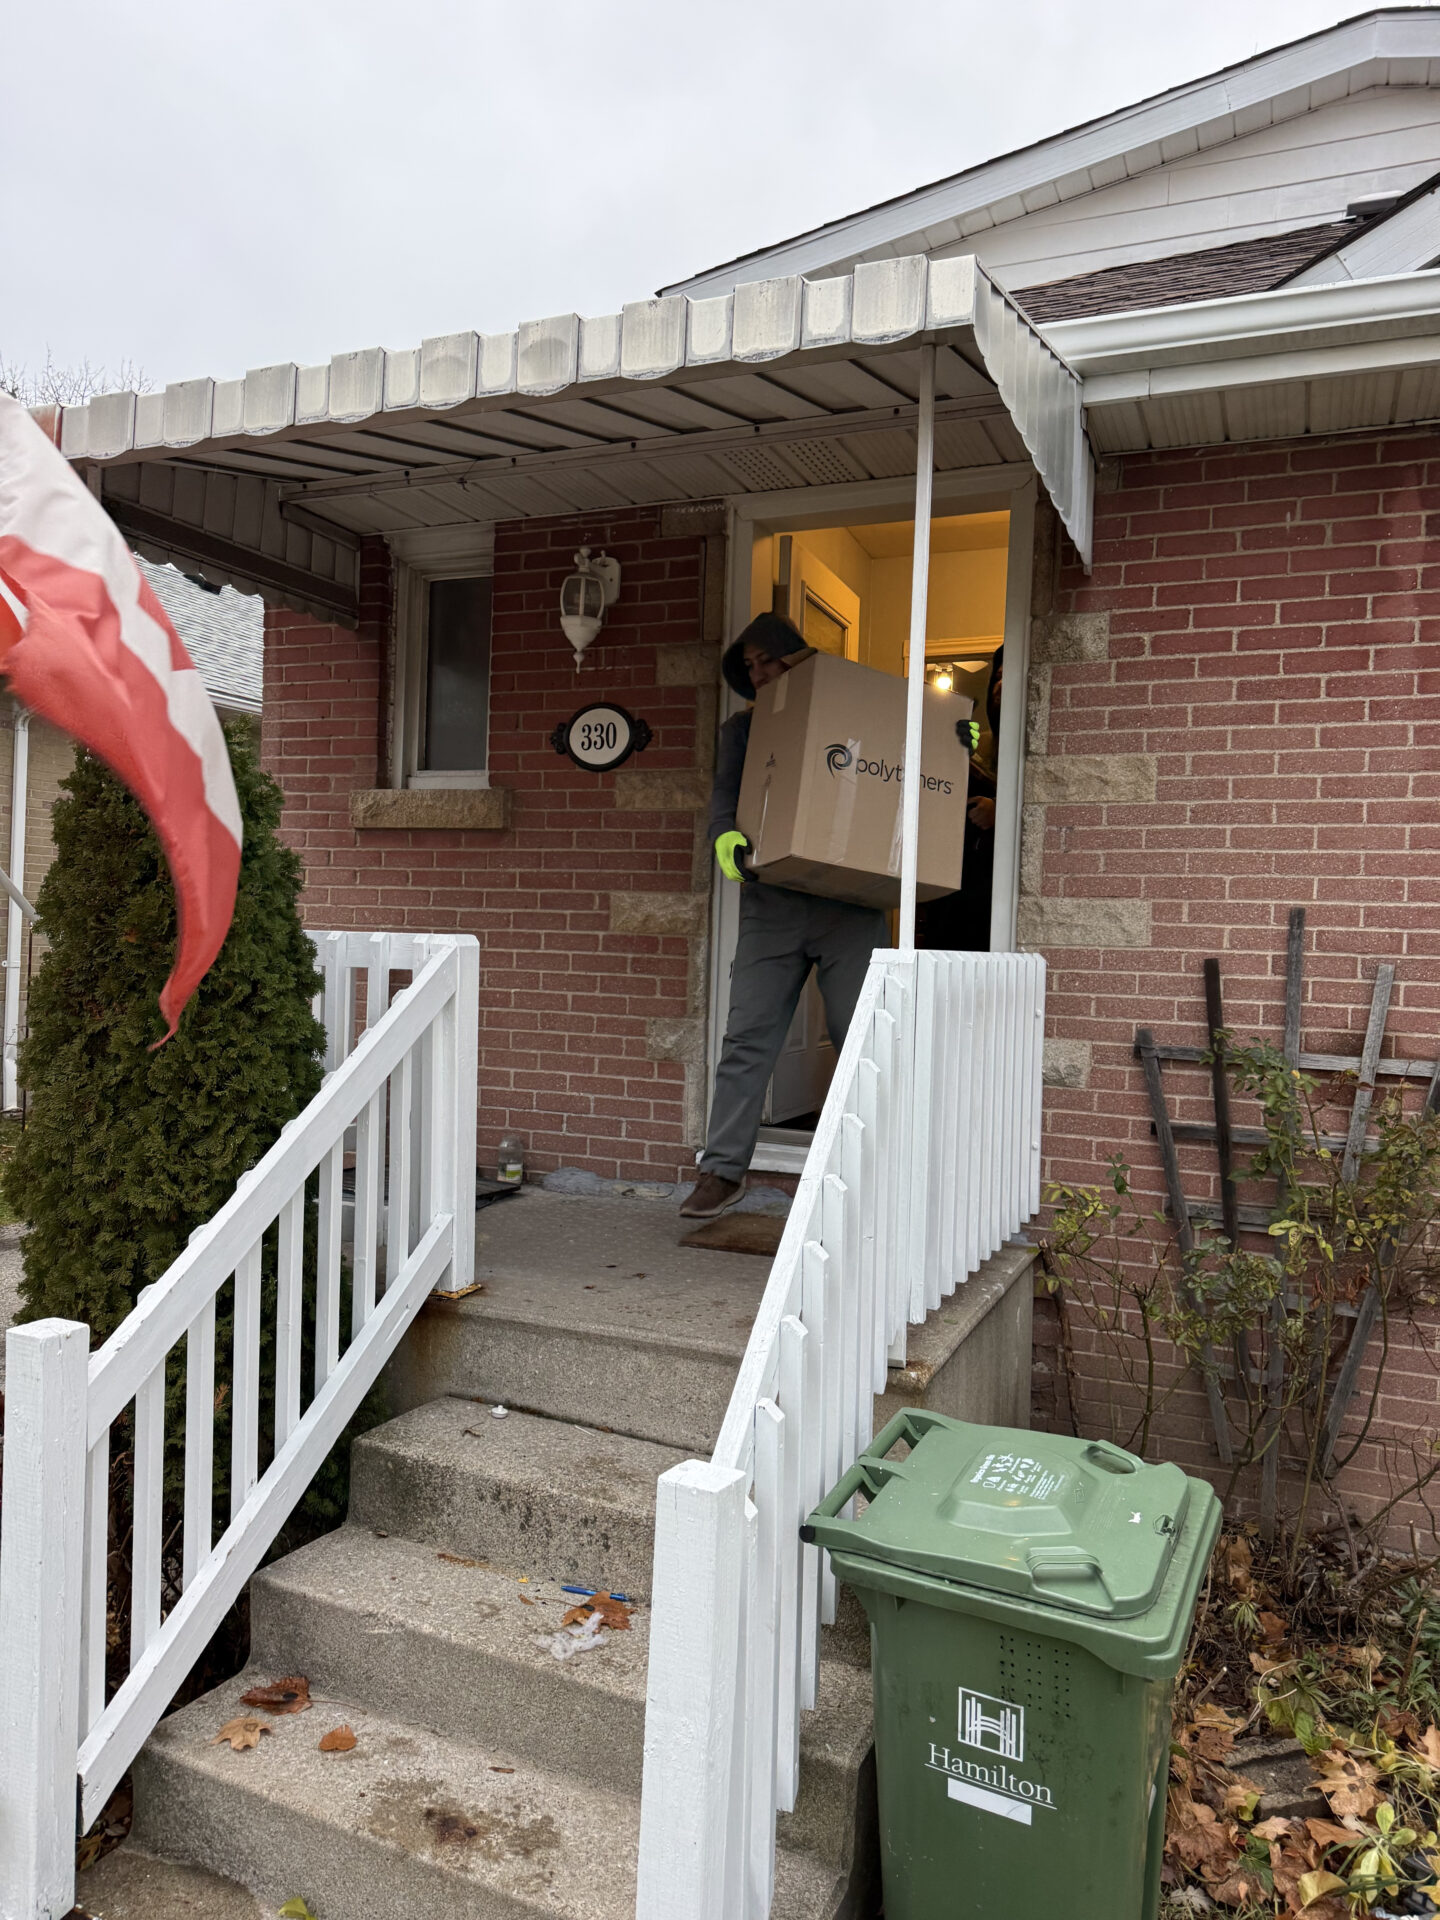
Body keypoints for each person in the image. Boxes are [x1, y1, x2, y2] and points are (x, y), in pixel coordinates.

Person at [679, 612, 891, 1221]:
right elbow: (724, 797)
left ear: (797, 658)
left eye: (768, 659)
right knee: (747, 1035)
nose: (759, 672)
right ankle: (722, 1170)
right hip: (772, 904)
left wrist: (958, 741)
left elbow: (911, 758)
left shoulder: (854, 715)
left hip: (850, 902)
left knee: (865, 1037)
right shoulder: (742, 731)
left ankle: (872, 1171)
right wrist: (723, 836)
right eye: (748, 666)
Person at [916, 644, 1002, 953]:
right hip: (953, 890)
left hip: (995, 903)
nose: (1001, 686)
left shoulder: (1033, 746)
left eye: (1010, 676)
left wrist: (998, 814)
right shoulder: (983, 744)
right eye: (998, 677)